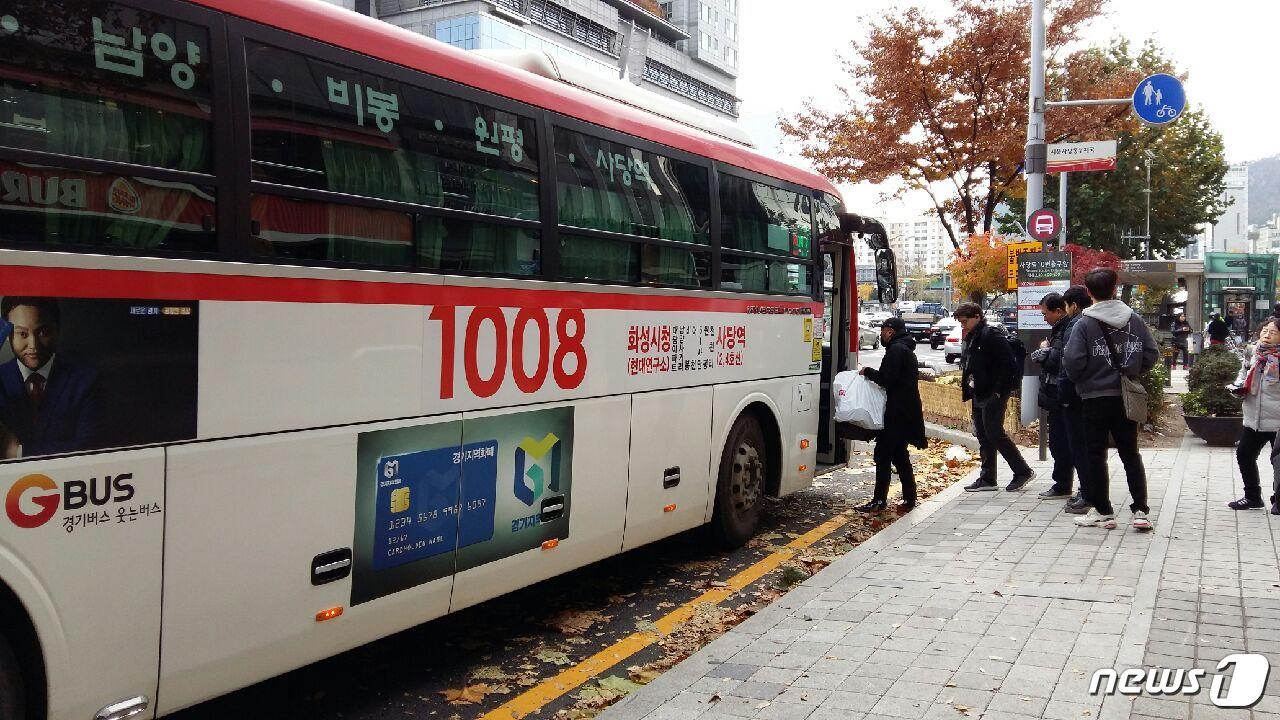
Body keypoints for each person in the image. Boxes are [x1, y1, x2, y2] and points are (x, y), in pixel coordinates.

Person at [1063, 268, 1159, 531]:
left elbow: (1072, 362)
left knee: (1095, 454)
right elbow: (1151, 354)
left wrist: (1085, 377)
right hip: (1126, 398)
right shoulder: (1134, 320)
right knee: (1130, 453)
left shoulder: (1084, 323)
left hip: (1094, 397)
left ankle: (1104, 511)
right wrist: (1132, 371)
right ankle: (1141, 511)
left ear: (1089, 293)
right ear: (1115, 289)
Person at [0, 297, 102, 458]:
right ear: (7, 334)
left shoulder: (86, 380)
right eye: (22, 333)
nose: (33, 345)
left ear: (57, 330)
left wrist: (17, 451)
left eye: (43, 332)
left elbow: (90, 447)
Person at [953, 302, 1034, 492]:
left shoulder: (991, 335)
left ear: (977, 316)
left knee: (994, 433)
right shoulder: (973, 336)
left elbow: (1008, 366)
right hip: (979, 392)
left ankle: (1022, 471)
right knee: (983, 435)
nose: (962, 325)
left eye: (965, 321)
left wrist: (998, 391)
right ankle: (988, 478)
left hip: (993, 393)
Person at [858, 317, 927, 513]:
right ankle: (909, 498)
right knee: (899, 455)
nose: (881, 335)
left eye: (882, 331)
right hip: (906, 411)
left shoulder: (896, 350)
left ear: (890, 331)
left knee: (883, 454)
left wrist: (867, 371)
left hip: (898, 413)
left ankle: (879, 500)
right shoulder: (904, 348)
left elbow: (886, 379)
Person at [1227, 318, 1280, 510]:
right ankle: (1252, 496)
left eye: (1272, 332)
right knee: (1244, 454)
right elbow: (1243, 373)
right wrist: (1238, 386)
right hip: (1254, 416)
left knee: (1278, 462)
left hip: (1277, 420)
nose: (1266, 335)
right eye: (1265, 331)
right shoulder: (1254, 352)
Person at [1028, 292, 1074, 499]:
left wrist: (1046, 352)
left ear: (1059, 310)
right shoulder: (1060, 329)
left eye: (1045, 313)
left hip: (1062, 395)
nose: (1044, 317)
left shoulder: (1070, 329)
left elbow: (1064, 362)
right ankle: (1062, 483)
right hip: (1055, 395)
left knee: (1063, 442)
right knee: (1058, 442)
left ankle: (1064, 484)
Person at [1056, 285, 1094, 515]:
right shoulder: (1094, 321)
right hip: (1089, 392)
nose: (1066, 310)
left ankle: (1088, 492)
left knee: (1080, 446)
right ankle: (1088, 490)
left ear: (1074, 305)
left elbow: (1070, 362)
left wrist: (1066, 391)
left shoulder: (1077, 325)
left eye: (1067, 306)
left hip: (1076, 392)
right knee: (1088, 446)